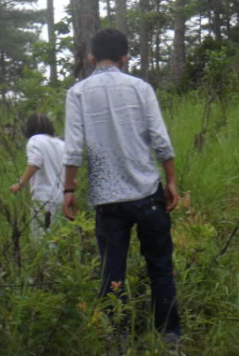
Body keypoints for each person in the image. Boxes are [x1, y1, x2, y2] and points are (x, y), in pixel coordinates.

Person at [62, 28, 181, 339]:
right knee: (160, 266)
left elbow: (73, 147)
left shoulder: (77, 93)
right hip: (147, 192)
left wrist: (69, 189)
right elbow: (160, 139)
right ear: (124, 58)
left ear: (91, 58)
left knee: (112, 272)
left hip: (107, 200)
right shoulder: (141, 88)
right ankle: (169, 338)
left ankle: (119, 339)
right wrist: (171, 180)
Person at [10, 113, 65, 242]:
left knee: (41, 239)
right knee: (56, 237)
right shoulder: (60, 143)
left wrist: (21, 183)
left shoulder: (35, 140)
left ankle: (47, 262)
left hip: (44, 198)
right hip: (61, 198)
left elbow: (35, 162)